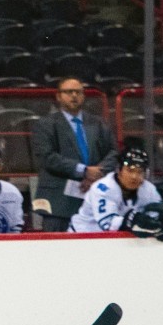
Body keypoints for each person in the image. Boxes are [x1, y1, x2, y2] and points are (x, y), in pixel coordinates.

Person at [31, 77, 119, 232]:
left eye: (78, 92)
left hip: (93, 197)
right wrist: (84, 170)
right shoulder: (45, 124)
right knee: (56, 251)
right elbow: (47, 157)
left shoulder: (98, 122)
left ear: (83, 96)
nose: (74, 96)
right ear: (58, 96)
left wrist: (98, 173)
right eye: (68, 92)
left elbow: (113, 151)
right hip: (58, 202)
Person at [69, 145, 162, 232]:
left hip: (116, 241)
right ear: (119, 170)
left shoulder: (149, 190)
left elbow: (156, 217)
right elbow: (108, 224)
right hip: (82, 239)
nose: (134, 176)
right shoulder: (103, 188)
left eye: (139, 172)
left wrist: (162, 221)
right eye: (130, 170)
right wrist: (136, 220)